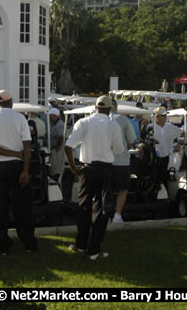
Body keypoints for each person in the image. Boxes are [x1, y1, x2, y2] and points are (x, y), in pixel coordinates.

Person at [65, 95, 124, 260]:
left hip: (87, 168)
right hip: (104, 169)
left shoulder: (83, 122)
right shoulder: (113, 125)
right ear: (110, 108)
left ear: (95, 107)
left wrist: (73, 167)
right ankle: (93, 248)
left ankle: (82, 244)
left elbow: (68, 146)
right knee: (101, 208)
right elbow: (119, 150)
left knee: (83, 207)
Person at [0, 90, 38, 254]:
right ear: (11, 102)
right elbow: (27, 146)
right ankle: (29, 242)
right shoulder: (20, 118)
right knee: (22, 206)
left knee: (0, 207)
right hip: (17, 165)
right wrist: (25, 170)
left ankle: (4, 243)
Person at [110, 99, 137, 223]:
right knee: (122, 189)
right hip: (121, 160)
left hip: (104, 160)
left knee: (106, 190)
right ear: (116, 106)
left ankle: (105, 214)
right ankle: (117, 215)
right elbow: (131, 141)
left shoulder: (97, 119)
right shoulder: (123, 119)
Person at [153, 106, 183, 186]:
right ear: (156, 116)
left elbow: (184, 133)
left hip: (166, 158)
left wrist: (179, 144)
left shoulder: (170, 127)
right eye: (163, 115)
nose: (165, 117)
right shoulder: (151, 127)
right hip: (153, 159)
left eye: (166, 115)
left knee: (165, 180)